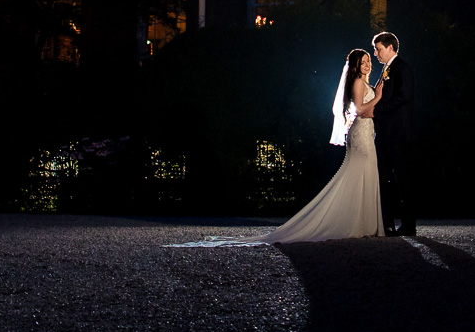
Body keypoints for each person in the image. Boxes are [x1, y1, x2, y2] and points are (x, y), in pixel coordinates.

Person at [163, 48, 384, 247]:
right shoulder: (356, 83)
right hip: (360, 134)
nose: (367, 64)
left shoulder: (366, 83)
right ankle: (354, 223)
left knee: (366, 175)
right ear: (355, 65)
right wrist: (379, 97)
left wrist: (377, 93)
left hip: (367, 133)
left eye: (368, 61)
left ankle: (364, 223)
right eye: (363, 61)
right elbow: (362, 109)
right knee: (356, 176)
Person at [371, 31, 416, 236]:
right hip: (386, 134)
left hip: (398, 134)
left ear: (390, 48)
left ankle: (408, 225)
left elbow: (404, 96)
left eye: (378, 49)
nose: (375, 53)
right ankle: (386, 223)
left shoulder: (401, 67)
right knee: (383, 179)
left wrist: (378, 110)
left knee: (403, 180)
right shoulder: (386, 70)